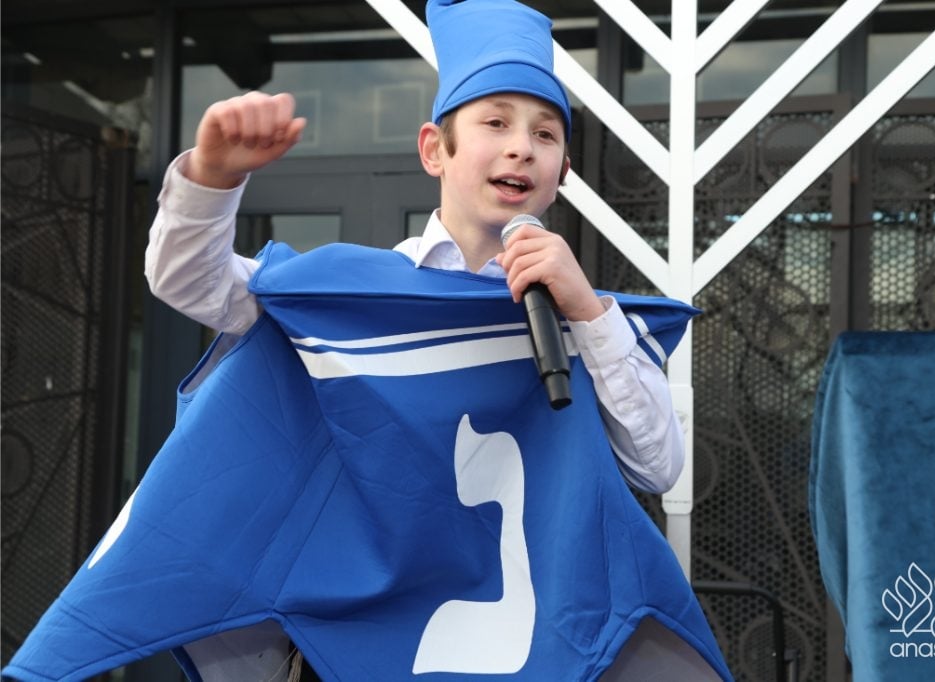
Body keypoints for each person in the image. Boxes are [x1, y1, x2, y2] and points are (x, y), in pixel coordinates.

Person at [145, 4, 685, 497]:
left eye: (545, 135)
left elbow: (656, 468)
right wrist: (212, 176)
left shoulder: (584, 322)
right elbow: (189, 282)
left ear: (562, 171)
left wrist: (588, 312)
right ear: (434, 150)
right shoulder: (352, 296)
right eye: (495, 123)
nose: (521, 147)